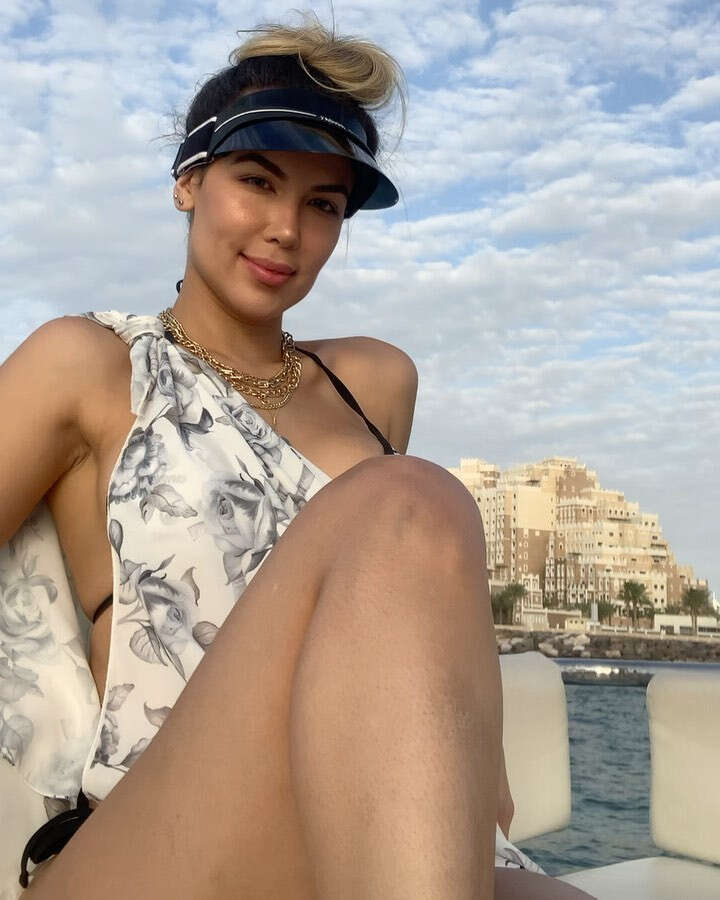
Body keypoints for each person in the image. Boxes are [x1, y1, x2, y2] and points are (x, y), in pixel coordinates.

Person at [0, 18, 594, 899]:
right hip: (153, 838)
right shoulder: (88, 364)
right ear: (188, 182)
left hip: (365, 824)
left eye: (323, 205)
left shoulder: (375, 384)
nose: (286, 229)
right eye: (257, 181)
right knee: (410, 497)